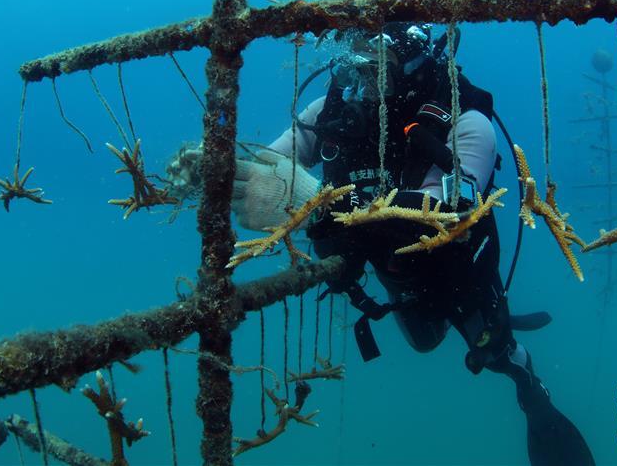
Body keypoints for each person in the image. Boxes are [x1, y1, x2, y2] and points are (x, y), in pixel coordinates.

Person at [222, 23, 595, 465]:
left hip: (453, 273)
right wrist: (216, 174)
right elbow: (267, 165)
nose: (363, 82)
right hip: (390, 270)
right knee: (423, 342)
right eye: (356, 67)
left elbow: (443, 214)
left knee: (493, 352)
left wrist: (317, 201)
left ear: (415, 63)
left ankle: (530, 389)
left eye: (376, 67)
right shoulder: (330, 111)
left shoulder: (467, 120)